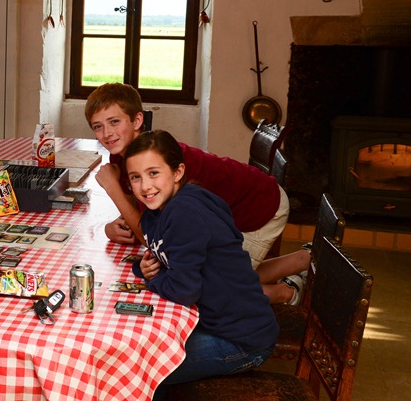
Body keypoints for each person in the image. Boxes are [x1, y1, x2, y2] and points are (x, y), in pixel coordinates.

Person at [85, 83, 309, 305]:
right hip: (227, 209)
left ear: (137, 121)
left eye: (114, 122)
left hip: (257, 206)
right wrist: (112, 226)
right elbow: (144, 214)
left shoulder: (160, 161)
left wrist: (113, 189)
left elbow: (152, 238)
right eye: (98, 126)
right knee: (216, 272)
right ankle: (303, 259)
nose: (107, 133)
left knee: (213, 287)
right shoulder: (122, 156)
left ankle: (285, 292)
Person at [125, 130, 278, 398]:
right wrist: (145, 267)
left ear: (178, 172)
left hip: (242, 341)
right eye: (135, 177)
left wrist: (153, 279)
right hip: (215, 323)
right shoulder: (158, 209)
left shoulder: (185, 211)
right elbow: (163, 254)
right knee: (143, 356)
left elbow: (184, 289)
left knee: (143, 369)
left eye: (153, 173)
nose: (145, 186)